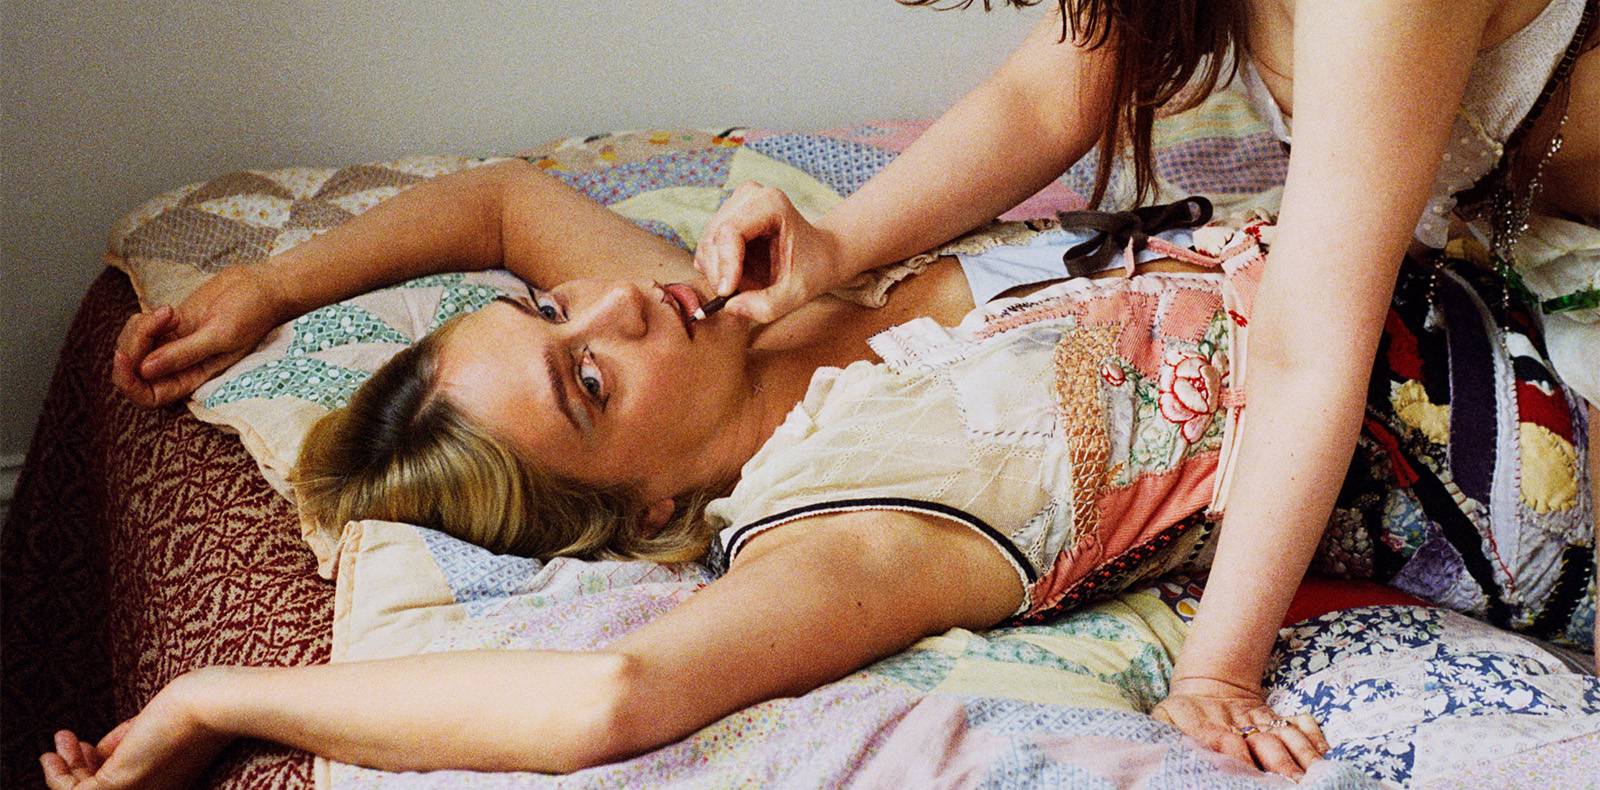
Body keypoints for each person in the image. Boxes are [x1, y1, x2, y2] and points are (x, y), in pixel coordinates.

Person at [43, 1, 1596, 788]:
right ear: (653, 502)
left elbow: (507, 204)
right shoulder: (855, 512)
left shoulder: (718, 310)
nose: (609, 299)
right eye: (583, 374)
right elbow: (610, 696)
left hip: (1481, 264)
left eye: (554, 308)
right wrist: (215, 698)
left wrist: (278, 282)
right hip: (1526, 431)